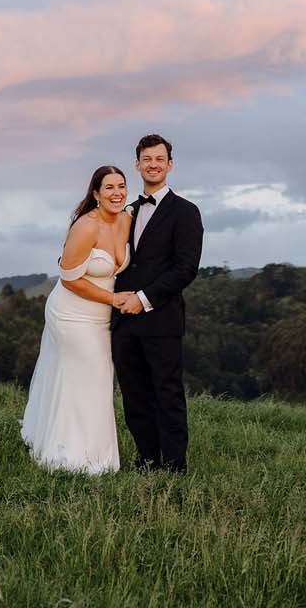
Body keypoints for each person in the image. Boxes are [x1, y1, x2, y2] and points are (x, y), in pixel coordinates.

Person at [20, 165, 141, 474]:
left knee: (98, 380)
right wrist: (115, 299)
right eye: (109, 187)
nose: (117, 192)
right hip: (72, 312)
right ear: (96, 194)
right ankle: (72, 458)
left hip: (101, 319)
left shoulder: (127, 219)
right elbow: (70, 278)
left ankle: (98, 455)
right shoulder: (86, 227)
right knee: (87, 375)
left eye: (121, 186)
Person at [109, 134, 204, 473]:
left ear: (170, 165)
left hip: (160, 319)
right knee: (134, 397)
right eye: (146, 159)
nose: (153, 164)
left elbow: (185, 269)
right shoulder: (125, 211)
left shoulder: (186, 212)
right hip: (122, 321)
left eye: (159, 159)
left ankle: (175, 467)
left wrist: (143, 299)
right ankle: (146, 460)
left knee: (167, 395)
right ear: (137, 164)